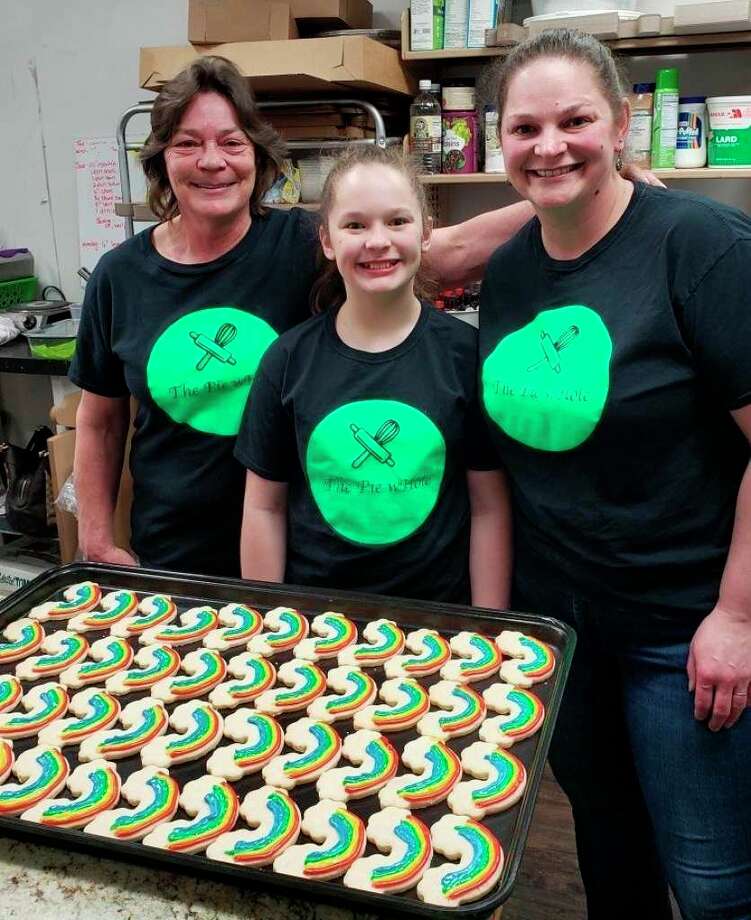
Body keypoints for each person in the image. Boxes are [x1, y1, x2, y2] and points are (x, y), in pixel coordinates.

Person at [69, 53, 658, 579]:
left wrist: (575, 190)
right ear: (161, 158)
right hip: (176, 554)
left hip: (307, 552)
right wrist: (96, 536)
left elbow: (435, 249)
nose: (212, 162)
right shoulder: (122, 275)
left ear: (257, 154)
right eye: (188, 144)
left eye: (231, 142)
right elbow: (98, 421)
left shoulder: (300, 243)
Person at [478, 28, 751, 920]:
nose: (548, 145)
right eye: (524, 128)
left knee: (711, 883)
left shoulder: (701, 246)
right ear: (499, 141)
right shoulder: (512, 269)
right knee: (607, 847)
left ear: (621, 126)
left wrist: (738, 617)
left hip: (682, 632)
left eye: (574, 120)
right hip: (560, 626)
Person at [235, 145, 511, 606]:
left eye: (397, 221)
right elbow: (265, 507)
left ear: (426, 232)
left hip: (440, 624)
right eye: (355, 225)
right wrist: (268, 624)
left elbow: (488, 508)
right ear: (327, 240)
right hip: (316, 627)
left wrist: (490, 625)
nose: (377, 240)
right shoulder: (287, 361)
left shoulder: (465, 357)